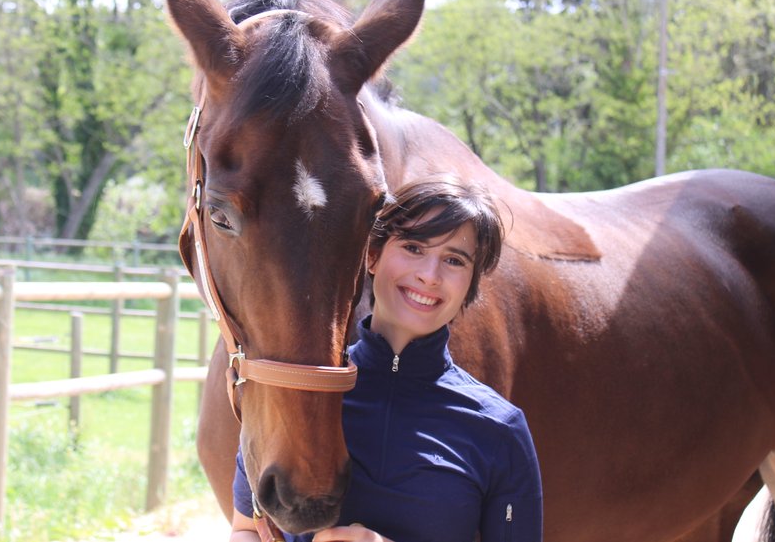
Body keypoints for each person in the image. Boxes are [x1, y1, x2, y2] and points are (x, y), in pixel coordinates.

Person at [229, 176, 544, 542]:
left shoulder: (500, 431)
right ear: (373, 255)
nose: (429, 276)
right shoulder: (298, 392)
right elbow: (247, 528)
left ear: (470, 286)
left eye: (454, 260)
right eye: (413, 247)